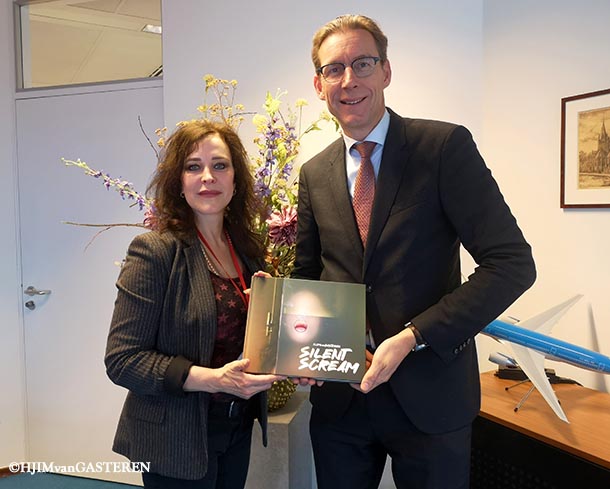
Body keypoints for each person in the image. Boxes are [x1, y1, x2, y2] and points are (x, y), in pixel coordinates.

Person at [292, 14, 537, 489]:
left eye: (363, 64)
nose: (349, 80)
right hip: (341, 405)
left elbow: (512, 264)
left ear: (386, 71)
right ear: (319, 85)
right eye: (334, 69)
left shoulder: (443, 147)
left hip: (431, 395)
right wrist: (297, 348)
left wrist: (414, 336)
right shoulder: (314, 173)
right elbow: (308, 275)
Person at [104, 120, 284, 488]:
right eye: (193, 166)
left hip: (236, 426)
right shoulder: (155, 251)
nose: (208, 177)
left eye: (220, 165)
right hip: (176, 437)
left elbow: (252, 339)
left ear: (236, 180)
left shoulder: (246, 251)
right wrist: (212, 380)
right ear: (178, 182)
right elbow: (122, 360)